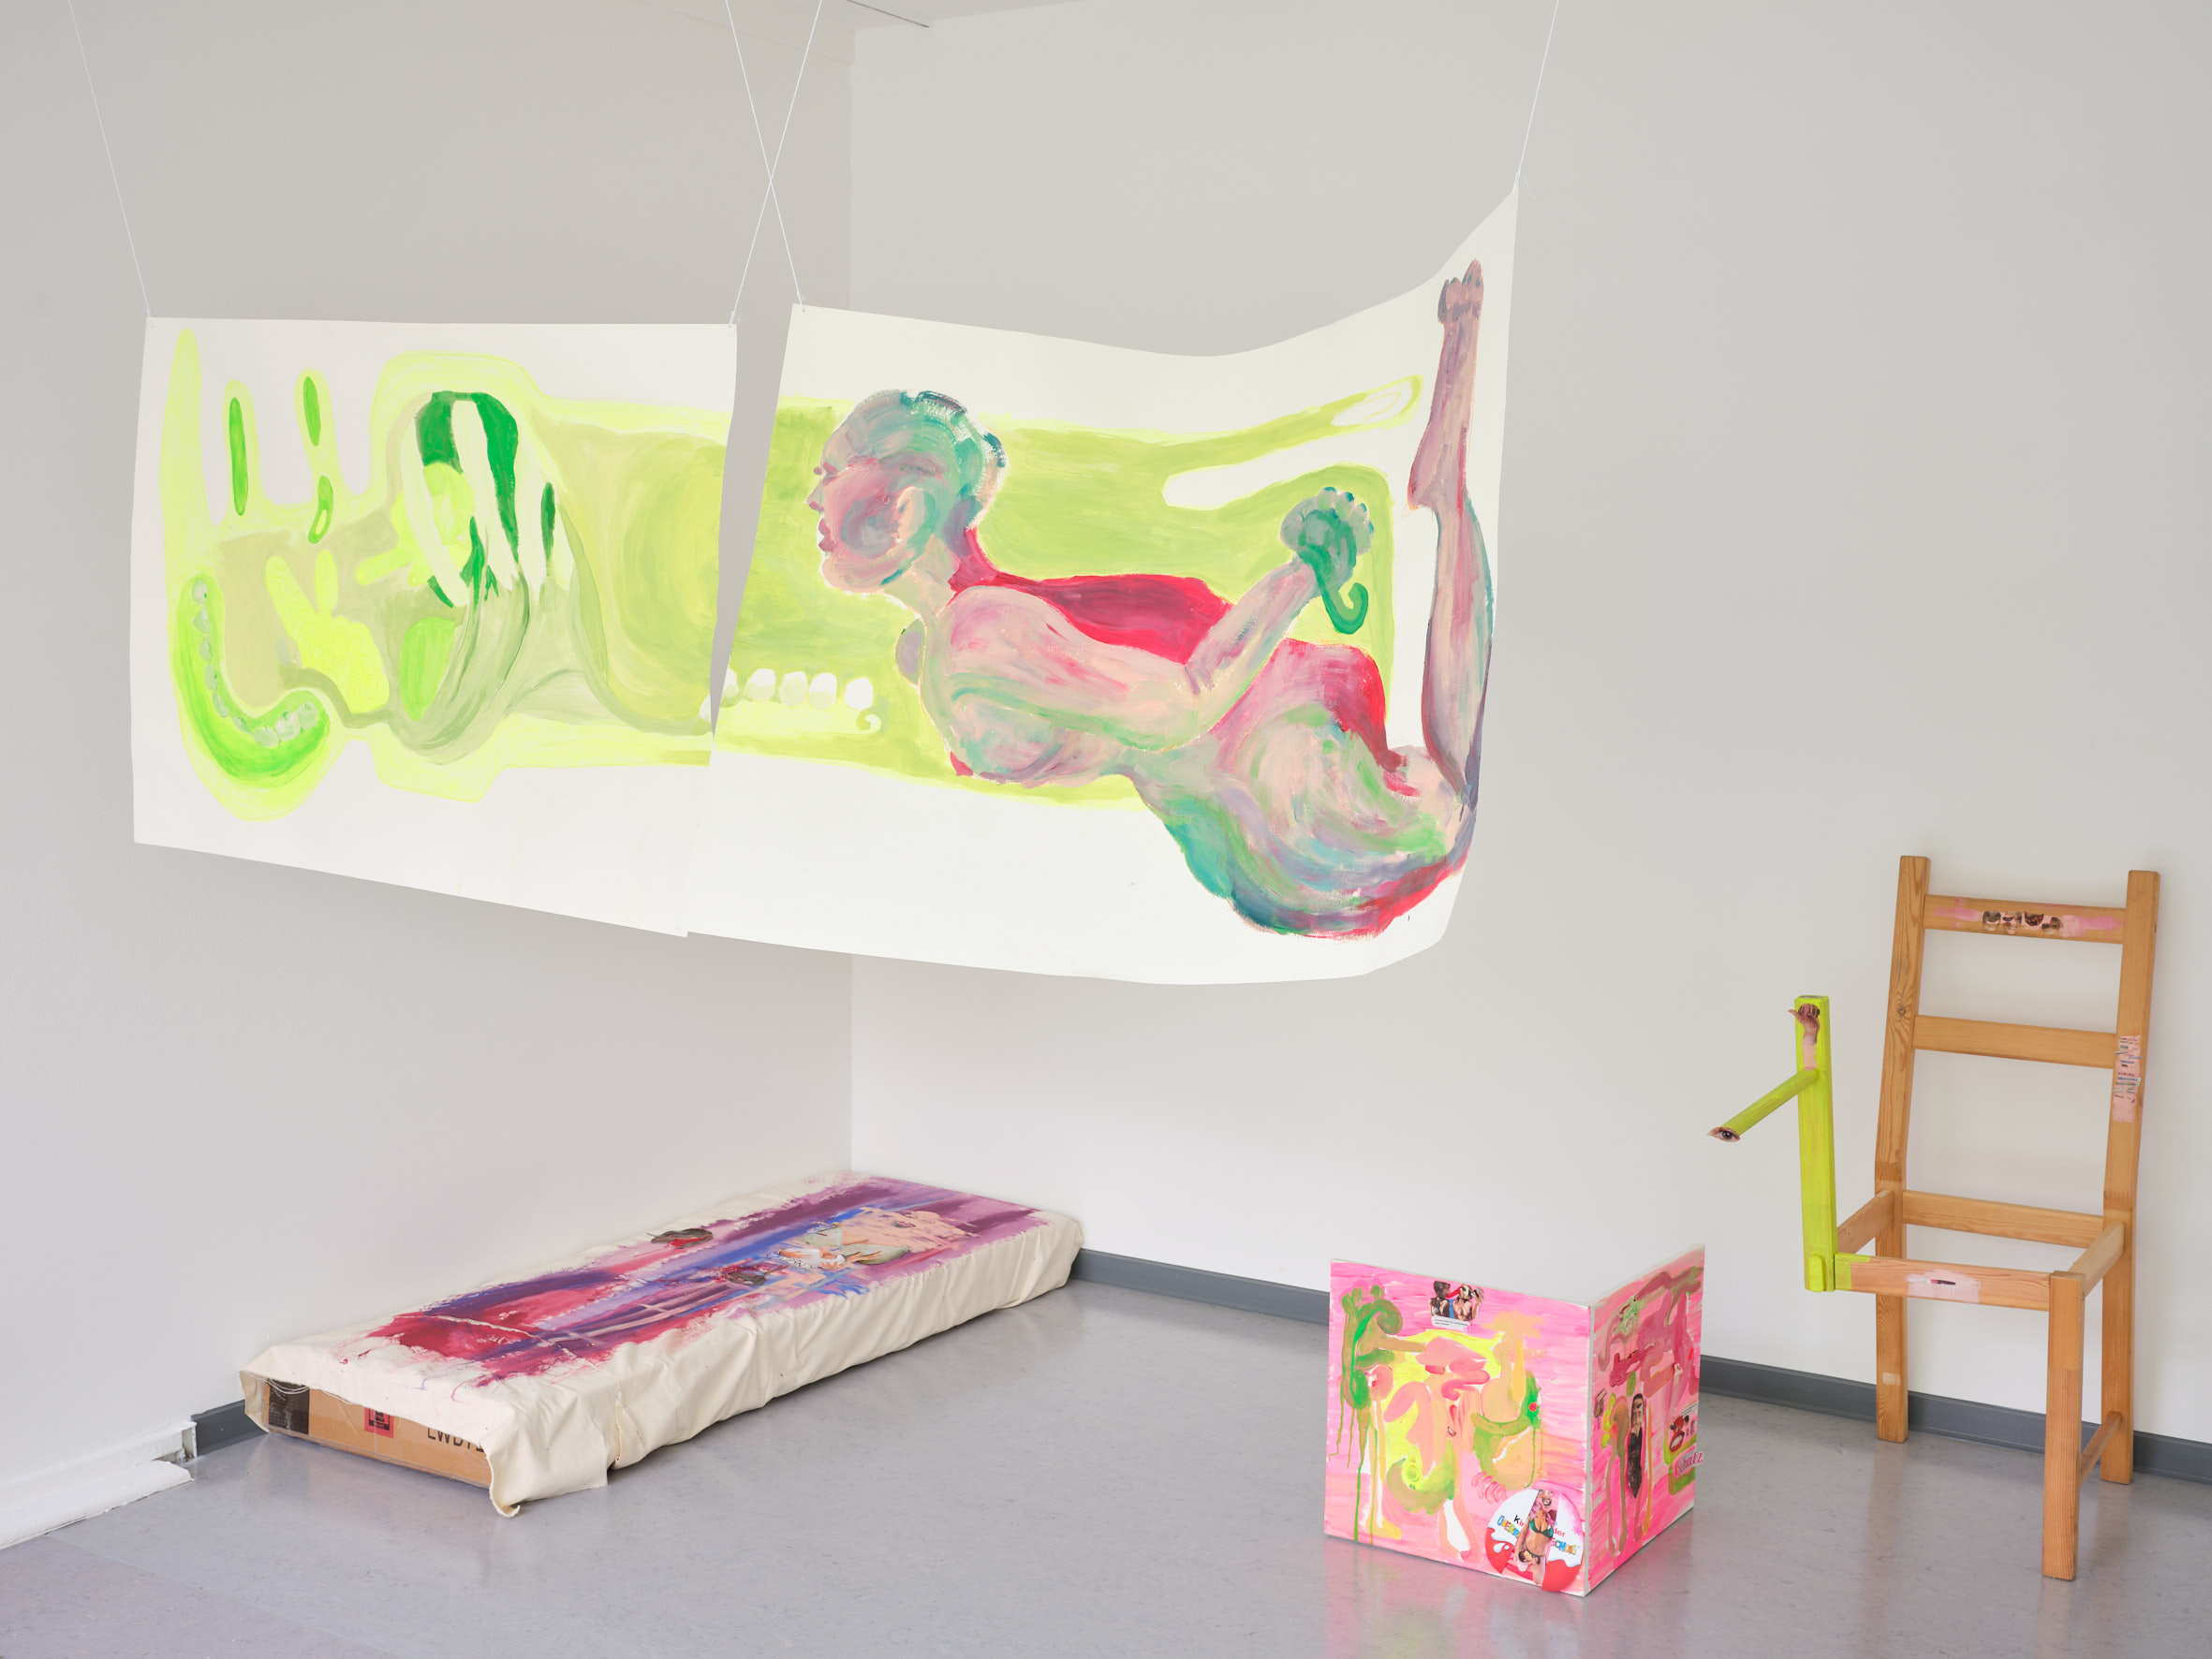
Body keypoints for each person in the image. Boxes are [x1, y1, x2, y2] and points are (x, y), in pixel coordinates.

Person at [805, 262, 1495, 938]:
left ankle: (1448, 481)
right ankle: (1448, 486)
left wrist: (1305, 574)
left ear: (903, 509)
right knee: (1454, 805)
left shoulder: (966, 639)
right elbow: (1179, 707)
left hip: (1274, 821)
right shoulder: (961, 639)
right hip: (1284, 813)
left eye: (831, 472)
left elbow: (1176, 709)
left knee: (1452, 803)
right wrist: (1306, 572)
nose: (812, 497)